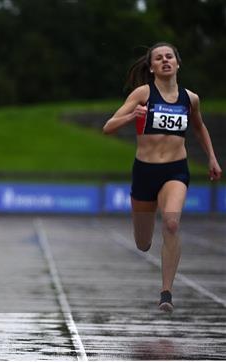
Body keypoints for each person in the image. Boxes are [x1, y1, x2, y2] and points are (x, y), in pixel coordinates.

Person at [103, 42, 221, 312]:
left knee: (171, 223)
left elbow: (200, 128)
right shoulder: (143, 93)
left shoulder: (190, 99)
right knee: (143, 243)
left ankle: (166, 293)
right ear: (152, 67)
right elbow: (108, 127)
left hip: (175, 170)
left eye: (170, 57)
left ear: (178, 64)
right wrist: (133, 115)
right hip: (145, 171)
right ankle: (145, 239)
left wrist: (212, 158)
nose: (165, 60)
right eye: (159, 58)